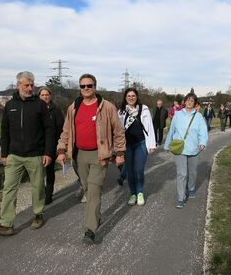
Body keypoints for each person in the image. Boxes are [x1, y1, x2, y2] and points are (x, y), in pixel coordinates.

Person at [56, 74, 125, 244]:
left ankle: (90, 230)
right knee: (87, 188)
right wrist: (62, 149)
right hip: (79, 155)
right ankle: (96, 216)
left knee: (93, 191)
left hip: (99, 155)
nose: (86, 88)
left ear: (95, 86)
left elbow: (118, 131)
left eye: (89, 85)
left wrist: (120, 153)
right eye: (83, 86)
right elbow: (66, 130)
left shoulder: (107, 107)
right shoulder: (73, 107)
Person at [0, 71, 55, 236]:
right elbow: (5, 131)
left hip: (36, 155)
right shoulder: (10, 105)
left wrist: (47, 152)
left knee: (38, 187)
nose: (30, 88)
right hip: (14, 155)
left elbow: (49, 130)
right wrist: (4, 154)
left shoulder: (40, 104)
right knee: (9, 188)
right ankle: (6, 224)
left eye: (32, 85)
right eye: (26, 85)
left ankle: (38, 214)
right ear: (18, 85)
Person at [164, 93, 208, 208]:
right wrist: (167, 145)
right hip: (180, 149)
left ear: (195, 103)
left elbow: (203, 131)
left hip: (194, 148)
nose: (189, 102)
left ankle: (191, 187)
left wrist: (202, 142)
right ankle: (181, 197)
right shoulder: (177, 115)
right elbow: (172, 130)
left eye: (192, 101)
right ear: (184, 101)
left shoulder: (198, 116)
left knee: (192, 172)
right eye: (188, 100)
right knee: (182, 173)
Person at [118, 88, 156, 206]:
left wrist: (152, 145)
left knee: (138, 170)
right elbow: (118, 130)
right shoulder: (121, 111)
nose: (131, 98)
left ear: (137, 97)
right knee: (130, 171)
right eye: (128, 96)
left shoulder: (143, 109)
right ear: (125, 97)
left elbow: (149, 127)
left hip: (141, 144)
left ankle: (140, 193)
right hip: (127, 146)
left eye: (133, 95)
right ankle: (133, 194)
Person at [38, 87, 65, 205]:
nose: (45, 97)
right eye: (42, 95)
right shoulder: (35, 108)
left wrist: (60, 147)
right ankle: (42, 191)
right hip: (38, 145)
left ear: (50, 96)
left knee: (49, 171)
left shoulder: (56, 110)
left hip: (52, 144)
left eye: (47, 94)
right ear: (39, 96)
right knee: (37, 171)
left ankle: (49, 194)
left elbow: (60, 128)